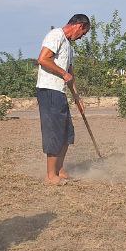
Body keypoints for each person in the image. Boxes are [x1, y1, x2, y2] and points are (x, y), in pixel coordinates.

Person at [36, 13, 91, 185]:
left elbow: (70, 74)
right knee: (54, 133)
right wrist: (63, 73)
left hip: (59, 92)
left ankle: (59, 169)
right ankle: (50, 176)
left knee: (66, 133)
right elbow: (43, 59)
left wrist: (77, 98)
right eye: (83, 33)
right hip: (48, 90)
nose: (81, 37)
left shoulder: (69, 45)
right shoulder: (56, 35)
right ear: (79, 26)